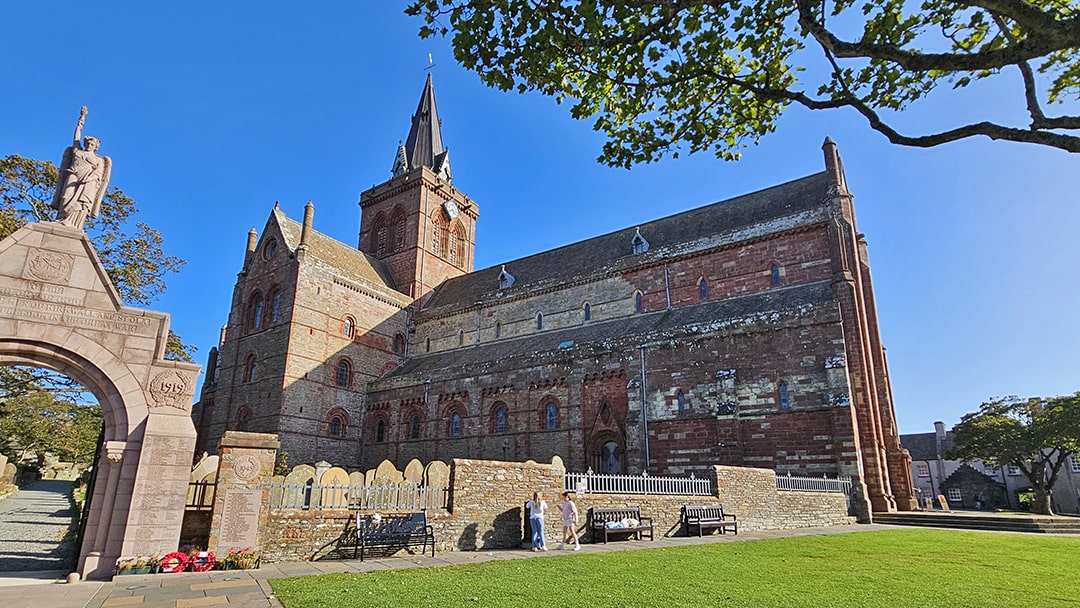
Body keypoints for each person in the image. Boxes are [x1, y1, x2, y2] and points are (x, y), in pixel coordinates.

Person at [52, 106, 111, 230]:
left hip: (87, 184)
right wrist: (82, 118)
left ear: (96, 147)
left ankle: (72, 223)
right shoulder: (78, 151)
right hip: (73, 176)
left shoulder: (99, 160)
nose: (89, 145)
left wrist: (87, 179)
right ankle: (61, 218)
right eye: (88, 143)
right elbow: (76, 137)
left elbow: (98, 175)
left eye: (92, 144)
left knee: (81, 203)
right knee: (65, 197)